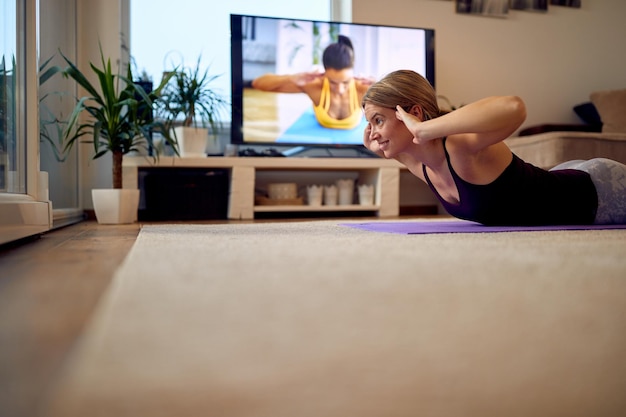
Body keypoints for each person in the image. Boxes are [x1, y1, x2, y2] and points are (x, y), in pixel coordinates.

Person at [361, 69, 626, 226]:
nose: (372, 131)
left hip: (602, 192)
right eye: (369, 123)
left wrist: (423, 129)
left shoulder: (460, 146)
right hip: (567, 174)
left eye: (378, 120)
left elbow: (514, 107)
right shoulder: (417, 162)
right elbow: (386, 146)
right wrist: (379, 141)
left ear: (414, 113)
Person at [252, 35, 373, 130]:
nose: (340, 89)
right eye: (333, 82)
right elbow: (258, 83)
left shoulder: (362, 88)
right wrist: (291, 78)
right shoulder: (315, 85)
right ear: (325, 73)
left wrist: (380, 85)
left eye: (346, 82)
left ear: (352, 72)